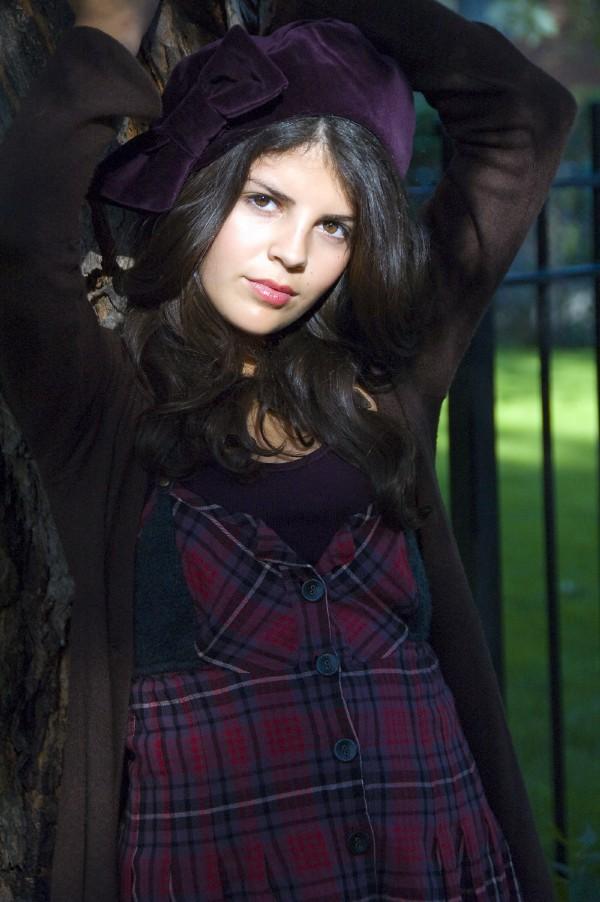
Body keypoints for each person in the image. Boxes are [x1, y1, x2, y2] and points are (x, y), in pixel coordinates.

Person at [0, 0, 576, 899]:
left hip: (444, 868)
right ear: (202, 190)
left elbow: (526, 116)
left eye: (335, 226)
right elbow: (17, 244)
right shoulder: (105, 411)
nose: (293, 254)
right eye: (265, 200)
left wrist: (340, 9)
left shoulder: (386, 380)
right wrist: (108, 34)